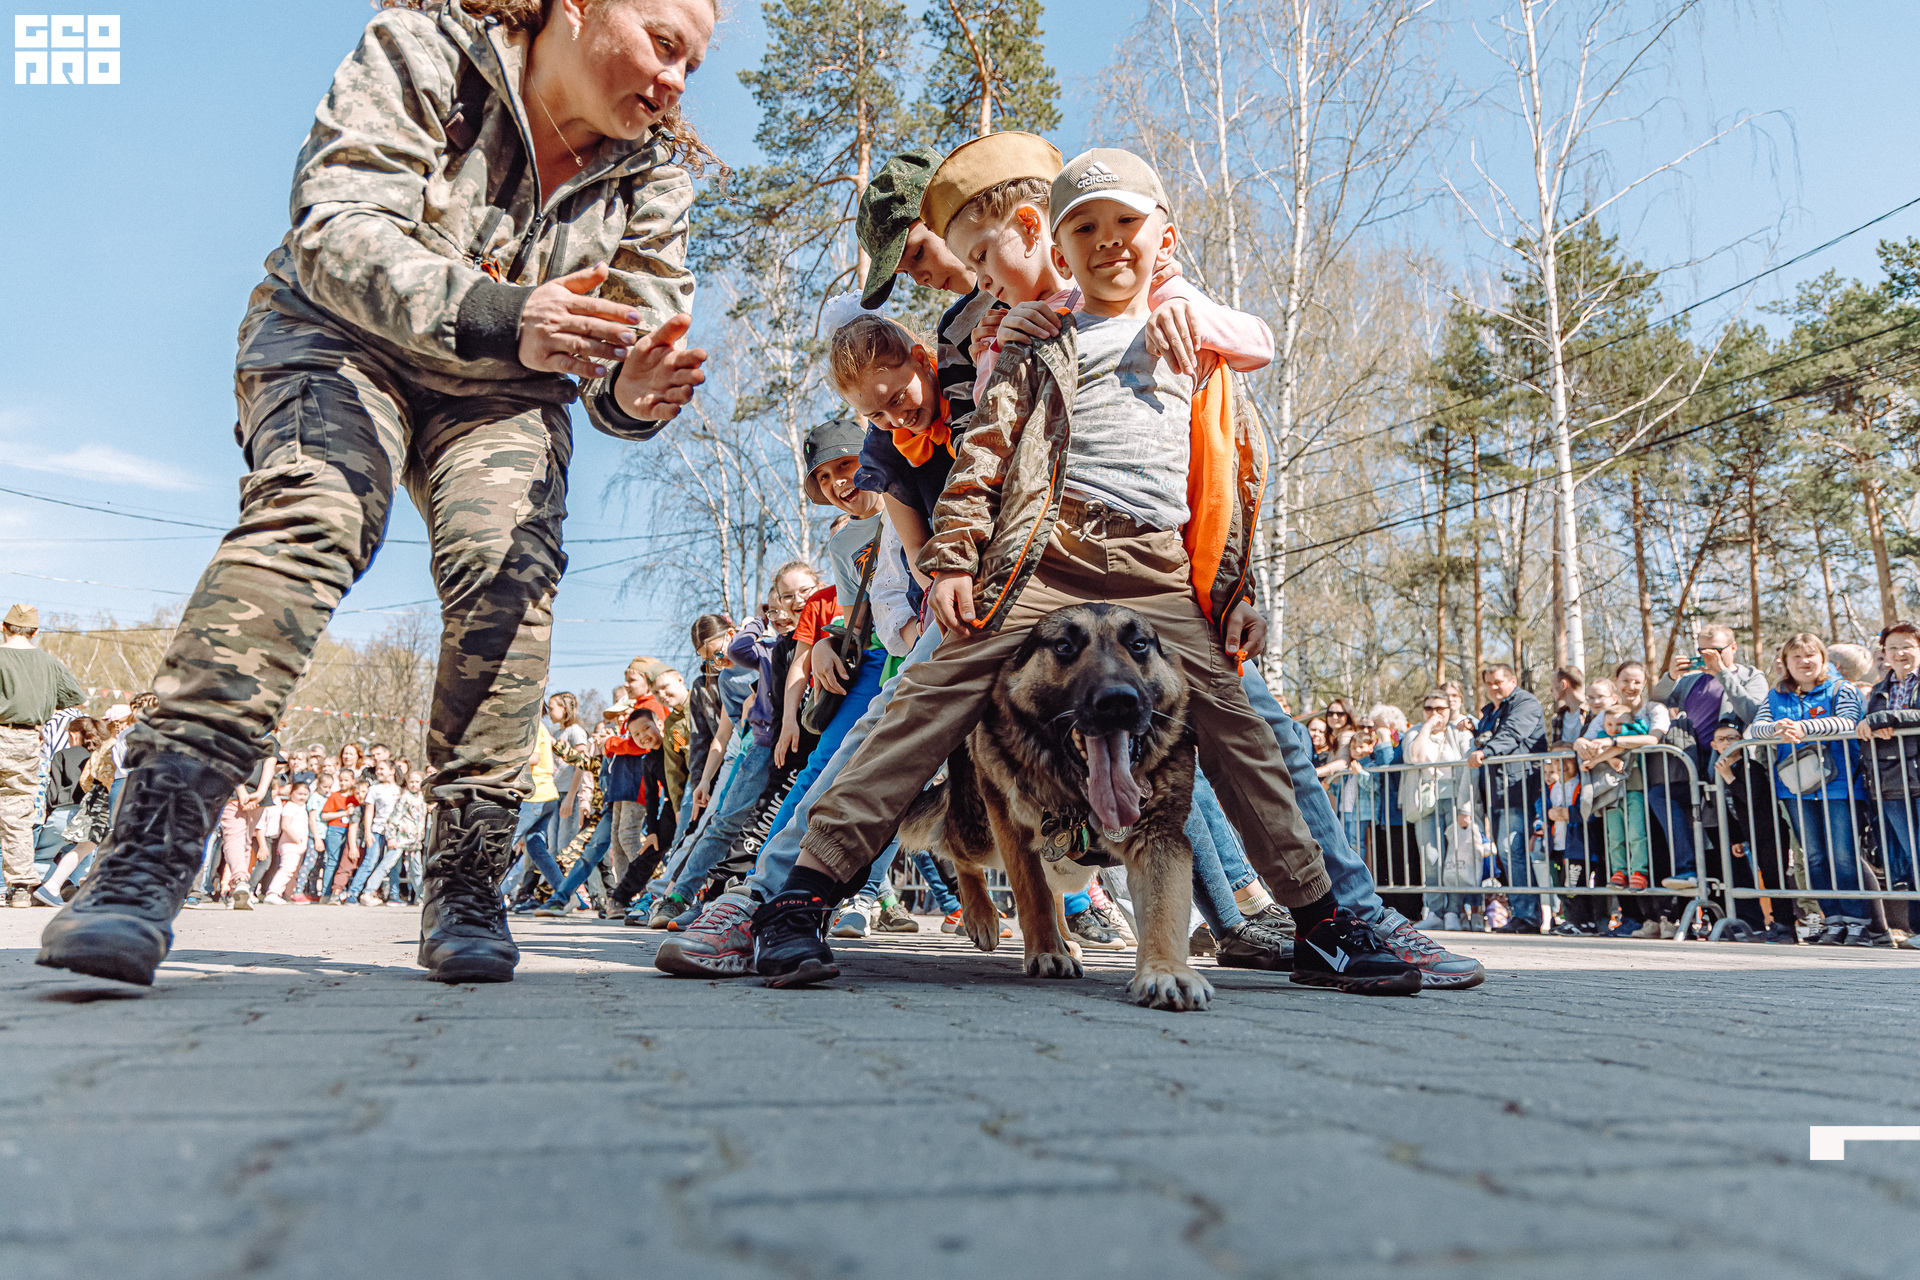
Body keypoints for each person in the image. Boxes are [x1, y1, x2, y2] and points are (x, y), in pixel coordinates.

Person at [38, 0, 717, 988]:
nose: (675, 85)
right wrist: (500, 311)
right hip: (341, 331)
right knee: (317, 512)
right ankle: (146, 852)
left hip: (504, 390)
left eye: (693, 64)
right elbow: (338, 224)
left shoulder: (653, 170)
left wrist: (635, 390)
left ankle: (469, 876)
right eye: (664, 46)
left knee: (508, 572)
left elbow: (632, 341)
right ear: (576, 8)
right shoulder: (428, 47)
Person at [748, 149, 1418, 997]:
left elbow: (1233, 475)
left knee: (1236, 719)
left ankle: (1325, 920)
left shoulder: (1189, 333)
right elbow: (981, 462)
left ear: (1162, 238)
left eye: (1126, 227)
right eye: (1087, 231)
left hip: (1157, 562)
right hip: (1046, 553)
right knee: (924, 697)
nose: (1110, 245)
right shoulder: (1035, 345)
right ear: (1060, 250)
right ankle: (803, 896)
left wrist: (1240, 590)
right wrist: (952, 561)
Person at [1747, 633, 1872, 945]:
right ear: (1786, 663)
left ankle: (1858, 921)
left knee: (1843, 855)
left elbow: (1847, 722)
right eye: (1796, 657)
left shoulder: (1843, 688)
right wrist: (1777, 727)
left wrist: (1804, 728)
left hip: (1840, 785)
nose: (1804, 662)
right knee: (1814, 855)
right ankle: (1833, 920)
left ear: (1823, 658)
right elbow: (1757, 728)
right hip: (1795, 788)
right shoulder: (1776, 695)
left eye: (1810, 655)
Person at [1651, 622, 1769, 889]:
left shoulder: (1752, 676)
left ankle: (1754, 915)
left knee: (1733, 840)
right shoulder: (1691, 680)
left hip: (1731, 767)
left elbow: (1753, 713)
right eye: (1701, 651)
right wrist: (1670, 676)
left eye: (1714, 650)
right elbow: (1656, 700)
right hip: (1691, 765)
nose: (1707, 657)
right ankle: (1688, 870)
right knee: (1660, 795)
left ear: (1733, 648)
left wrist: (1723, 673)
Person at [0, 603, 83, 907]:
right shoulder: (49, 663)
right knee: (17, 814)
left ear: (3, 627)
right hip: (26, 740)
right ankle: (21, 887)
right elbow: (75, 696)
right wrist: (42, 705)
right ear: (35, 631)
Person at [1468, 664, 1548, 933]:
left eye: (1499, 681)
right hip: (1497, 791)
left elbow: (1513, 733)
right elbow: (1488, 738)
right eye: (1488, 682)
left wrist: (1485, 751)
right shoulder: (1491, 711)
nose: (1493, 687)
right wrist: (1474, 733)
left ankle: (1528, 916)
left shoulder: (1525, 702)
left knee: (1513, 849)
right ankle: (1522, 913)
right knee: (1506, 851)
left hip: (1520, 787)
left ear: (1513, 680)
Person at [1859, 621, 1920, 938]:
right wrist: (1871, 724)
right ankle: (1916, 928)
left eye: (1907, 646)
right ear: (1884, 653)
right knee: (1911, 858)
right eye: (1893, 647)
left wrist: (1887, 719)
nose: (1900, 653)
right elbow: (1868, 727)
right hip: (1891, 782)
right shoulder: (1881, 689)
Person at [1402, 691, 1474, 931]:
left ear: (1450, 709)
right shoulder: (1414, 732)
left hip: (1454, 798)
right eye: (1429, 708)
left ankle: (1454, 910)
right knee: (1431, 857)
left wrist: (1466, 806)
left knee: (1455, 857)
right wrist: (1428, 727)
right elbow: (1415, 757)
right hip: (1425, 800)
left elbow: (1468, 769)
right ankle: (1434, 910)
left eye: (1440, 708)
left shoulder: (1459, 732)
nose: (1434, 713)